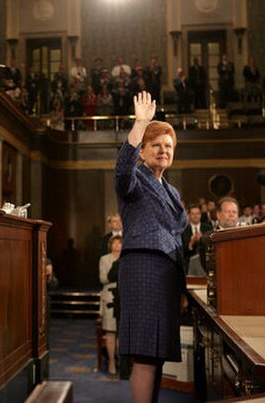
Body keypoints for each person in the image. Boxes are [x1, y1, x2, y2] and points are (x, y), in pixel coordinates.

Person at [114, 91, 188, 403]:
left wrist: (181, 287)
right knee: (145, 354)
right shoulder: (135, 180)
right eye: (155, 145)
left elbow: (177, 238)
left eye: (168, 146)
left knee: (156, 355)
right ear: (142, 152)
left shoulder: (171, 190)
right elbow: (122, 169)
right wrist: (140, 124)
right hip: (143, 269)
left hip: (167, 277)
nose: (163, 150)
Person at [99, 235, 122, 375]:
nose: (118, 246)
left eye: (120, 243)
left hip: (125, 297)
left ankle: (122, 361)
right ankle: (112, 362)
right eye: (115, 243)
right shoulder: (104, 259)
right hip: (109, 298)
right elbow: (103, 278)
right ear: (110, 245)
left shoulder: (127, 257)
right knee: (111, 331)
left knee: (123, 332)